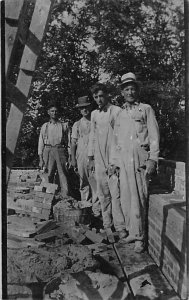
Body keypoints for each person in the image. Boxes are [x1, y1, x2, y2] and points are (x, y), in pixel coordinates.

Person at [110, 72, 160, 252]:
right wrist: (114, 162)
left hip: (139, 157)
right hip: (123, 160)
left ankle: (140, 237)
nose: (130, 92)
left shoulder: (146, 109)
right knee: (126, 198)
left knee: (139, 196)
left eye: (132, 88)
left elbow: (154, 136)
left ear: (137, 90)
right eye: (126, 89)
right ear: (122, 92)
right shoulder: (120, 114)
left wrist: (153, 159)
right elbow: (116, 141)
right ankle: (132, 232)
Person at [88, 83, 126, 236]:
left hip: (112, 157)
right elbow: (92, 136)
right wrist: (90, 157)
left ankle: (120, 226)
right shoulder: (94, 114)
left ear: (107, 95)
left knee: (115, 193)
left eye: (101, 96)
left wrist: (115, 162)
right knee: (102, 193)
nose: (99, 99)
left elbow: (120, 138)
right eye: (96, 97)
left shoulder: (116, 111)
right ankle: (107, 223)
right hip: (99, 157)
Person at [71, 96, 100, 213]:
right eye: (82, 108)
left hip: (95, 155)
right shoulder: (77, 125)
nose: (84, 110)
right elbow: (73, 143)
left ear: (90, 106)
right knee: (83, 182)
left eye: (86, 107)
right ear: (79, 110)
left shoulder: (96, 121)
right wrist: (72, 158)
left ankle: (97, 210)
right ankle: (86, 209)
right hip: (81, 155)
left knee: (95, 181)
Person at [38, 100, 70, 197]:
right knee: (48, 173)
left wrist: (69, 156)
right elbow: (41, 142)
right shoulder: (45, 126)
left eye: (56, 111)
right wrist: (40, 159)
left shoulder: (64, 125)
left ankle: (65, 196)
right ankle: (48, 197)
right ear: (48, 112)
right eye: (52, 111)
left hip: (60, 149)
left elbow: (68, 142)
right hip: (48, 150)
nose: (54, 113)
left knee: (62, 174)